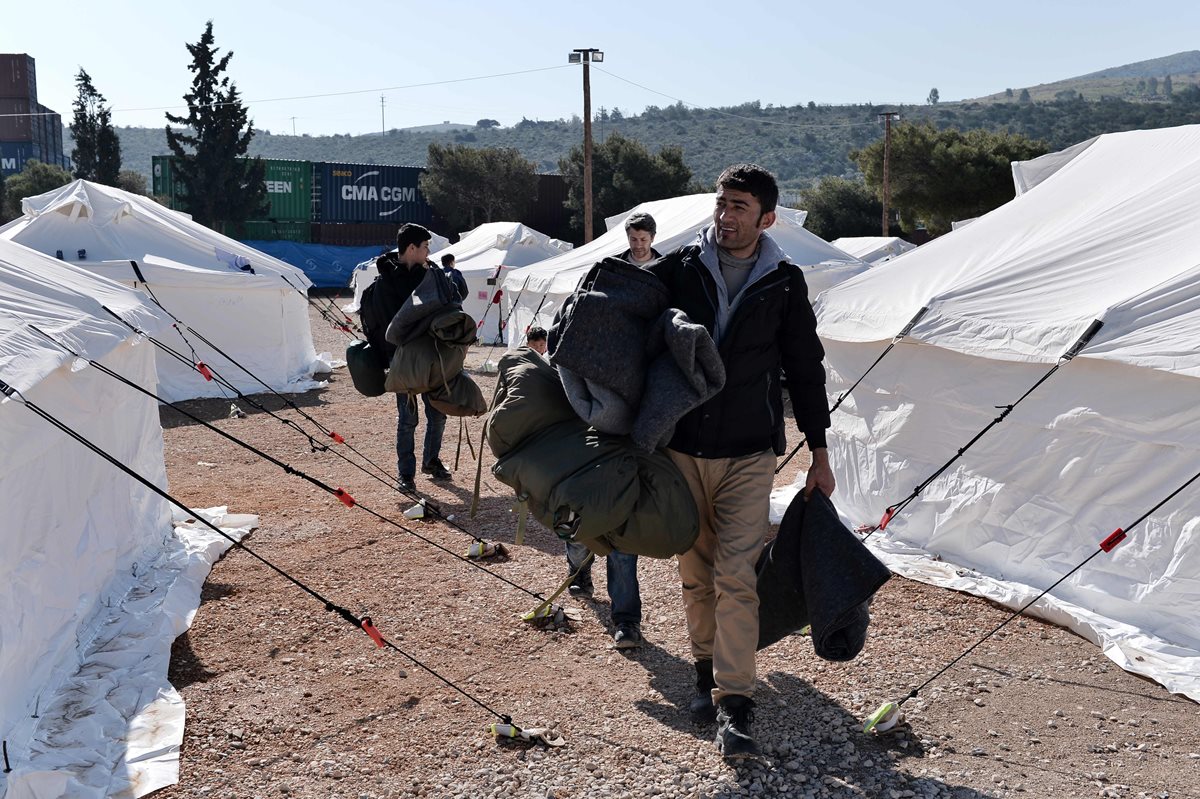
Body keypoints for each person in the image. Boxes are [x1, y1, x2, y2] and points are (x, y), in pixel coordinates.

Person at [645, 164, 834, 761]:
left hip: (750, 452)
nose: (726, 217)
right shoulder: (676, 271)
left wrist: (819, 453)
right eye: (722, 205)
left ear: (767, 218)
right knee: (696, 573)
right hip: (683, 447)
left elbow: (805, 369)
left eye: (740, 208)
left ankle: (736, 703)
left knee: (737, 575)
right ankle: (704, 671)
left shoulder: (784, 282)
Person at [360, 224, 452, 492]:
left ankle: (432, 461)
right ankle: (406, 474)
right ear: (411, 248)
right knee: (408, 419)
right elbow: (393, 327)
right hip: (404, 362)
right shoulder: (385, 284)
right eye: (425, 246)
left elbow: (451, 301)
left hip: (433, 358)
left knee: (438, 415)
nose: (428, 252)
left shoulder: (431, 274)